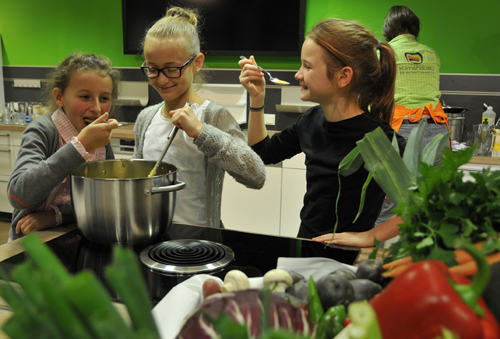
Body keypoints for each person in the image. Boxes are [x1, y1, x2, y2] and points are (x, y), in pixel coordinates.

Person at [239, 18, 406, 242]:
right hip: (306, 244)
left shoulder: (377, 138)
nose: (298, 74)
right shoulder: (310, 121)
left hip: (348, 259)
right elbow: (263, 152)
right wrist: (257, 99)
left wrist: (368, 237)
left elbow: (421, 204)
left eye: (307, 66)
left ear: (343, 76)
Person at [133, 7, 266, 239]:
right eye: (152, 69)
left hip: (201, 244)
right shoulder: (145, 119)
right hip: (153, 240)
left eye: (172, 69)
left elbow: (256, 175)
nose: (162, 79)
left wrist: (201, 132)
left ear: (196, 63)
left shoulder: (213, 116)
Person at [7, 53, 121, 241]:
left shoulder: (101, 141)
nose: (97, 108)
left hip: (79, 236)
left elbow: (105, 201)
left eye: (104, 98)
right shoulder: (43, 131)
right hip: (32, 246)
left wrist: (56, 216)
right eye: (85, 96)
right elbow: (18, 194)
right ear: (59, 97)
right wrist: (79, 146)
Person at [371, 6, 451, 246]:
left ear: (389, 29)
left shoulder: (384, 53)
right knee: (434, 198)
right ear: (414, 29)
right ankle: (427, 258)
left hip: (401, 128)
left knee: (390, 197)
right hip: (437, 129)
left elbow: (373, 94)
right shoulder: (432, 53)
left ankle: (373, 258)